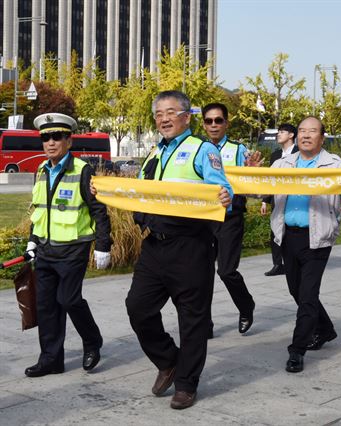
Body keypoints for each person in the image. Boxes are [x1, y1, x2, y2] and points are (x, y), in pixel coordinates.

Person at [125, 91, 233, 409]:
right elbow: (142, 189)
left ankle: (186, 384)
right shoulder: (154, 153)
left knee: (192, 318)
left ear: (187, 116)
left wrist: (223, 196)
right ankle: (169, 359)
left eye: (170, 112)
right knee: (138, 307)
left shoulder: (202, 149)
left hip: (191, 244)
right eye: (158, 113)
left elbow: (221, 185)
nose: (164, 118)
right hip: (155, 244)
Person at [270, 116, 341, 373]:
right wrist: (250, 172)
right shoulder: (283, 163)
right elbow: (260, 190)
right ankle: (326, 329)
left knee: (308, 295)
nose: (306, 135)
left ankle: (297, 350)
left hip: (318, 238)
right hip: (287, 236)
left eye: (312, 131)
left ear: (322, 137)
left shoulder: (336, 165)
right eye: (302, 131)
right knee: (297, 291)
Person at [24, 113, 112, 378]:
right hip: (45, 250)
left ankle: (92, 341)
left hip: (73, 249)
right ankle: (51, 359)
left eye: (57, 136)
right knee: (46, 306)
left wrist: (103, 246)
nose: (50, 142)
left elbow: (99, 211)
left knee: (68, 299)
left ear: (68, 140)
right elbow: (39, 209)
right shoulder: (40, 170)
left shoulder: (82, 170)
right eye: (45, 137)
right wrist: (31, 239)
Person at [201, 102, 257, 336]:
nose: (214, 125)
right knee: (201, 273)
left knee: (226, 271)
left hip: (230, 217)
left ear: (226, 123)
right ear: (203, 124)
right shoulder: (198, 149)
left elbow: (252, 183)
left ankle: (246, 306)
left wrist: (252, 171)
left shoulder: (238, 150)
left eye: (218, 120)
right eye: (209, 121)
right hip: (203, 218)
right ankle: (205, 323)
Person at [261, 123, 298, 276]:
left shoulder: (300, 153)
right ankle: (277, 264)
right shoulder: (275, 155)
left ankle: (293, 261)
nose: (279, 134)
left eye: (282, 132)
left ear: (291, 135)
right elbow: (271, 180)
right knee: (274, 228)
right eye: (278, 132)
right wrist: (265, 200)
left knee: (291, 230)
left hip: (295, 198)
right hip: (277, 197)